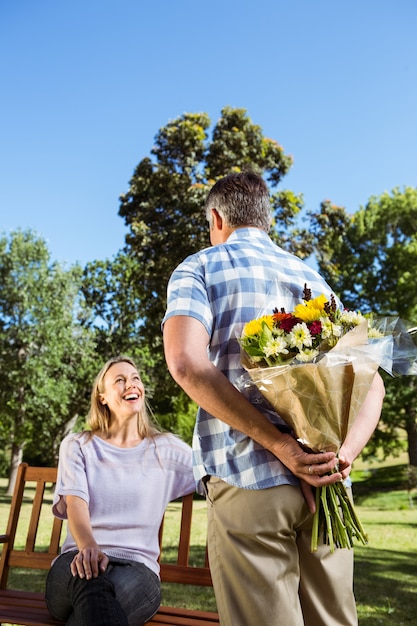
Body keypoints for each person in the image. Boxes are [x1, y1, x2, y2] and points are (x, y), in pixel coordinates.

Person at [162, 171, 385, 626]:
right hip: (325, 491)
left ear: (217, 218)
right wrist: (339, 458)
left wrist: (283, 448)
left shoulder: (200, 267)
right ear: (266, 220)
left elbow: (185, 362)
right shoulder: (313, 280)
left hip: (247, 477)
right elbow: (371, 382)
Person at [45, 355, 196, 626]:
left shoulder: (167, 450)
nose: (132, 384)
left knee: (95, 604)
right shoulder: (78, 445)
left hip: (137, 570)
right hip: (75, 562)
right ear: (102, 397)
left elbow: (215, 475)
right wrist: (88, 548)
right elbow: (76, 501)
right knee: (90, 582)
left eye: (136, 378)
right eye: (120, 380)